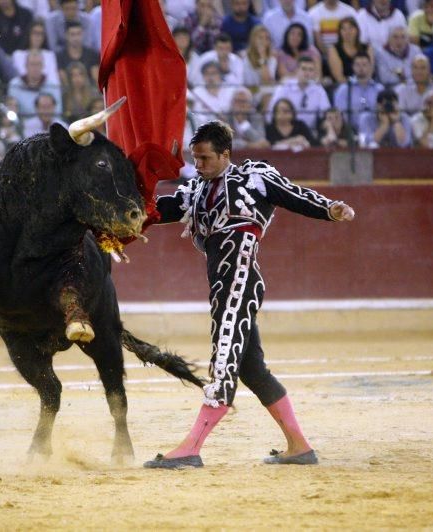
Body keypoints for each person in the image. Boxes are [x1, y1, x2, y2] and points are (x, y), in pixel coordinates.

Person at [142, 120, 355, 470]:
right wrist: (123, 215)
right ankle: (299, 447)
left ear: (226, 155)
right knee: (252, 370)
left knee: (224, 358)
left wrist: (329, 208)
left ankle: (191, 447)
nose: (199, 165)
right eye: (195, 158)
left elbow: (294, 195)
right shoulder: (195, 191)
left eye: (206, 158)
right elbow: (158, 210)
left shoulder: (254, 178)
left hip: (239, 281)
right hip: (223, 286)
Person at [268, 56, 330, 130]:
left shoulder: (318, 89)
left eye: (311, 70)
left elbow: (326, 112)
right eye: (304, 69)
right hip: (286, 129)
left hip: (310, 131)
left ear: (314, 73)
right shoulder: (285, 86)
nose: (307, 73)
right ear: (297, 70)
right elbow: (271, 111)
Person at [333, 51, 384, 130]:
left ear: (370, 66)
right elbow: (338, 114)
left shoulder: (379, 89)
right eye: (358, 65)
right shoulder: (344, 89)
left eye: (364, 65)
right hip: (350, 132)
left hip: (376, 131)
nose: (361, 68)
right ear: (353, 67)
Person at [8, 51, 63, 118]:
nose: (35, 68)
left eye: (38, 64)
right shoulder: (15, 85)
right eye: (32, 64)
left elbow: (58, 112)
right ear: (26, 66)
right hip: (23, 125)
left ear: (43, 66)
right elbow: (12, 110)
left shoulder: (53, 86)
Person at [12, 21, 61, 89]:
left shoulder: (50, 55)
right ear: (29, 34)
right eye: (35, 33)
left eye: (41, 34)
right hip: (24, 91)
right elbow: (22, 77)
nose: (38, 36)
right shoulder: (18, 55)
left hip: (46, 94)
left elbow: (54, 81)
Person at [240, 24, 277, 111]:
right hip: (248, 92)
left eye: (267, 38)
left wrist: (263, 58)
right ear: (253, 39)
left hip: (263, 94)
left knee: (268, 94)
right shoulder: (244, 57)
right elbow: (246, 83)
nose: (263, 41)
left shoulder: (272, 60)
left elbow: (266, 81)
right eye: (260, 38)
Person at [328, 16, 374, 85]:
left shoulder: (367, 48)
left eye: (351, 28)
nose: (347, 32)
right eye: (344, 29)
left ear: (357, 30)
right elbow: (339, 77)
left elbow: (369, 72)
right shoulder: (334, 49)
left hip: (365, 84)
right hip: (344, 86)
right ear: (339, 32)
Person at [56, 20, 101, 86]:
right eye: (72, 34)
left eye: (78, 34)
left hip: (90, 92)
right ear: (66, 36)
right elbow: (63, 80)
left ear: (82, 34)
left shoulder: (92, 54)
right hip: (68, 93)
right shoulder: (60, 56)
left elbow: (96, 79)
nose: (76, 38)